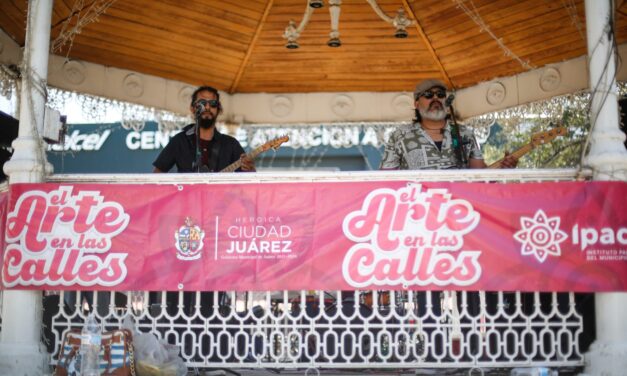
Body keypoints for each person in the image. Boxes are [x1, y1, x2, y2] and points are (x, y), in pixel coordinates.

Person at [380, 78, 518, 170]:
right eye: (428, 95)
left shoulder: (464, 133)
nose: (435, 98)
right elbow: (384, 179)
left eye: (440, 94)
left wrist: (503, 167)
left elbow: (481, 177)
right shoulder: (400, 135)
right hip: (419, 210)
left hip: (457, 208)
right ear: (416, 104)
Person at [153, 85, 255, 173]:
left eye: (213, 103)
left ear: (218, 110)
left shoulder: (231, 144)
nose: (207, 107)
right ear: (192, 108)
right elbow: (157, 175)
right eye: (202, 102)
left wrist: (250, 169)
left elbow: (248, 180)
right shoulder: (179, 141)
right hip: (187, 196)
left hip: (220, 196)